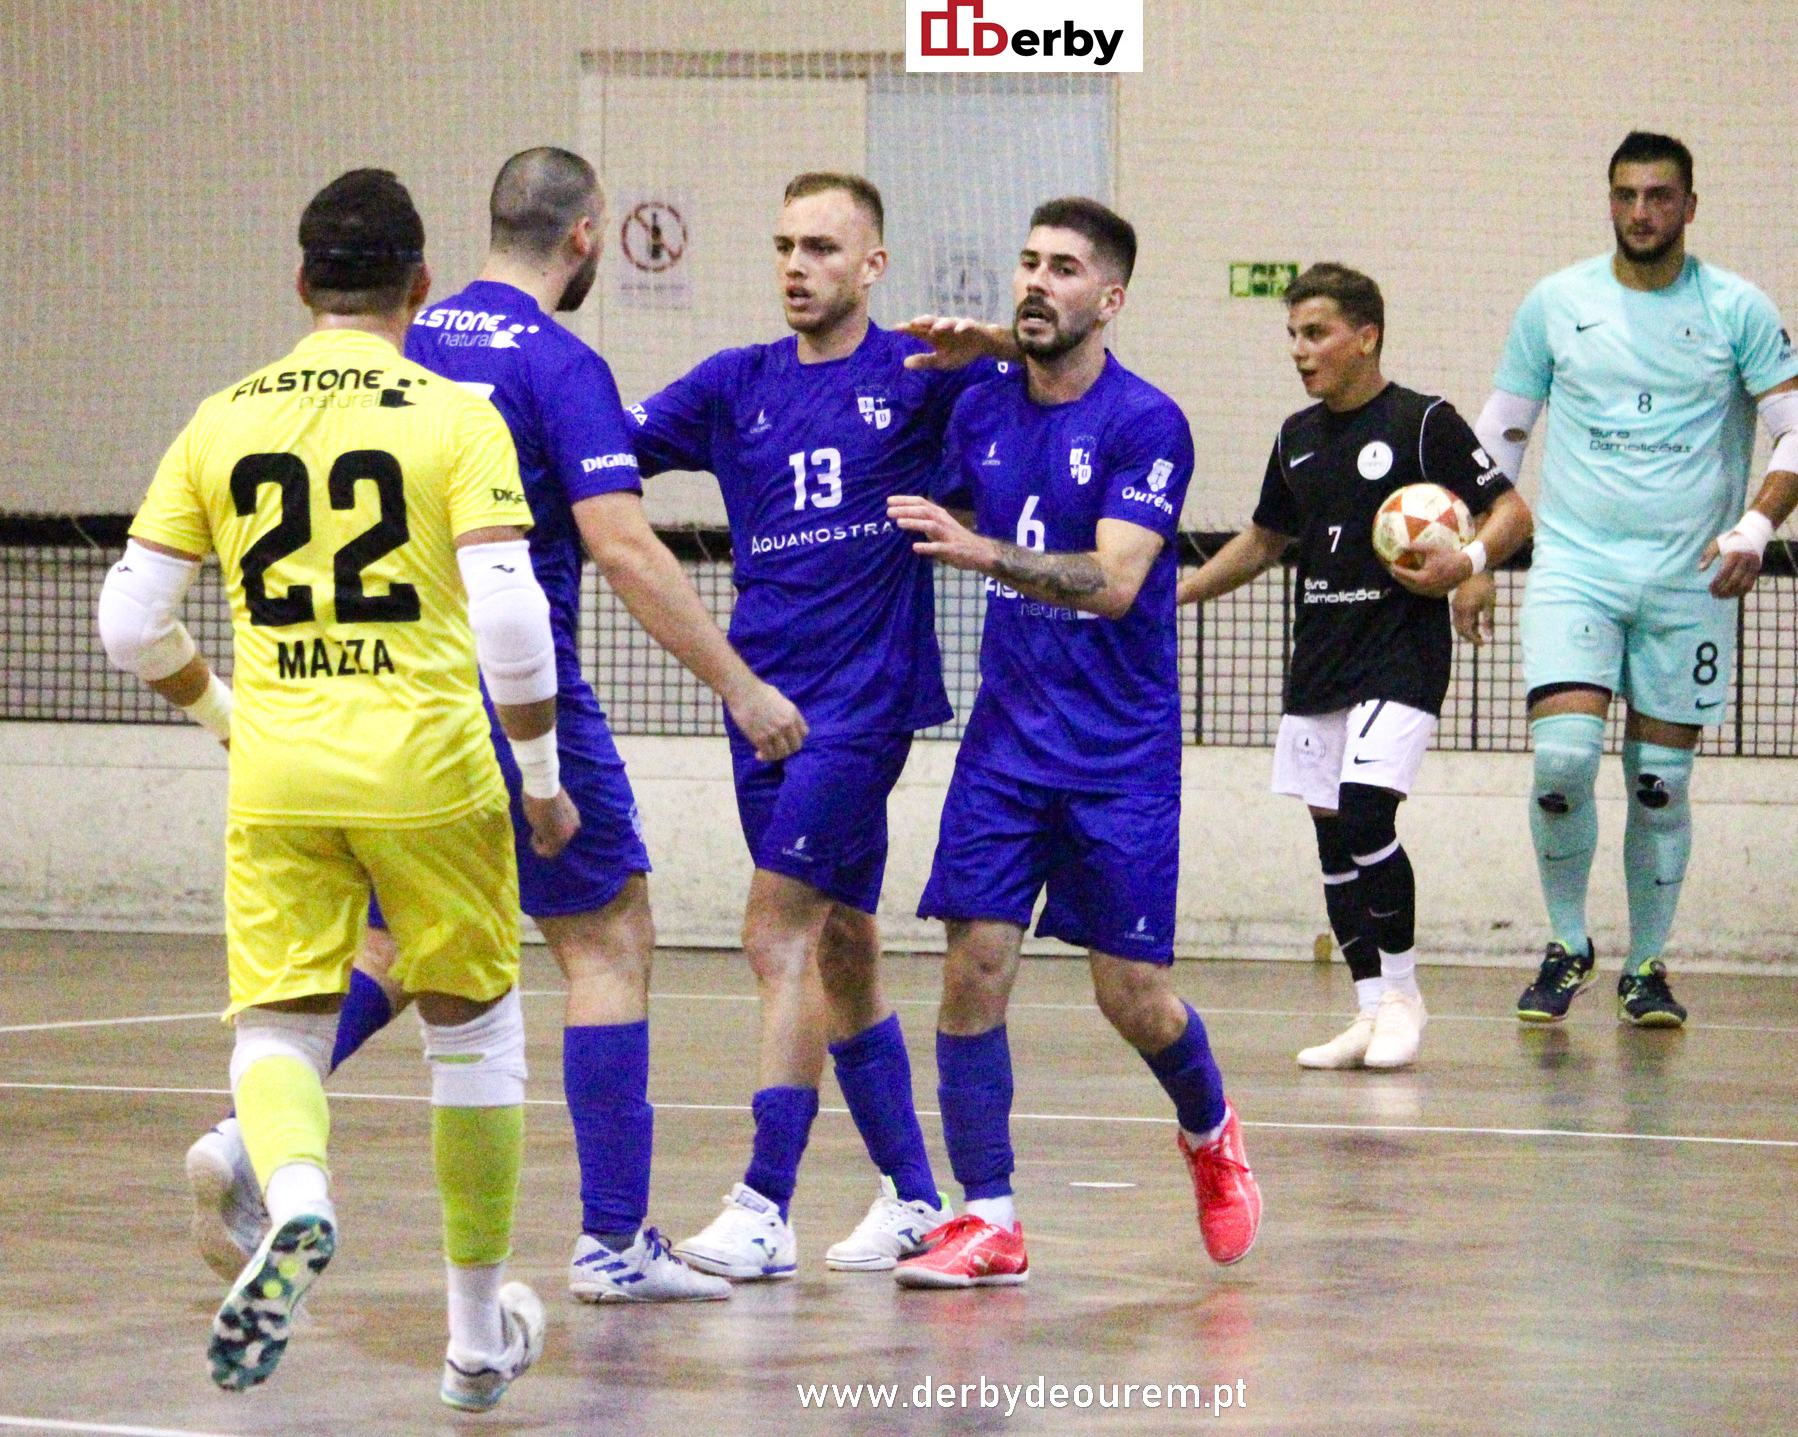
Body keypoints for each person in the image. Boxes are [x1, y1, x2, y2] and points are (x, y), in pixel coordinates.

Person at [182, 148, 803, 1307]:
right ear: (587, 238)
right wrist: (739, 683)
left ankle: (247, 1131)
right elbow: (619, 544)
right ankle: (613, 1239)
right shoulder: (559, 363)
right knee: (607, 938)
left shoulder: (396, 343)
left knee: (399, 945)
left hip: (380, 704)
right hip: (518, 698)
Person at [101, 169, 572, 1410]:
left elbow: (128, 618)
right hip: (430, 764)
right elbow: (513, 621)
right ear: (421, 286)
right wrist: (539, 774)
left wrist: (225, 714)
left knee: (277, 1026)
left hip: (283, 763)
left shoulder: (222, 419)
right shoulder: (454, 414)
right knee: (474, 1034)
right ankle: (475, 1341)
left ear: (302, 283)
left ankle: (299, 1194)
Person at [630, 173, 1014, 1278]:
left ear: (873, 266)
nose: (798, 266)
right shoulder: (733, 384)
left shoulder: (919, 373)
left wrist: (988, 341)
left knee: (775, 930)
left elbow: (1043, 379)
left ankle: (763, 1202)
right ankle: (911, 1195)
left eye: (823, 249)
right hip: (760, 700)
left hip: (861, 701)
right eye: (785, 245)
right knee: (841, 945)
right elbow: (604, 455)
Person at [886, 196, 1263, 1288]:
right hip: (1005, 747)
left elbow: (1114, 582)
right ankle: (987, 1215)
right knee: (973, 970)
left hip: (1118, 755)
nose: (1035, 282)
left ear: (1111, 297)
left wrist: (972, 550)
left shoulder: (1148, 422)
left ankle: (1208, 1129)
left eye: (1062, 268)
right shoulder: (984, 408)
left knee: (1128, 993)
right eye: (1026, 262)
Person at [1474, 131, 1798, 1026]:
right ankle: (1567, 945)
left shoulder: (1736, 307)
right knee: (1560, 761)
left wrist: (1755, 526)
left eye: (1660, 196)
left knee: (1659, 781)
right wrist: (1474, 553)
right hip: (1576, 570)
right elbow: (1499, 437)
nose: (1641, 212)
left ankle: (1647, 965)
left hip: (1689, 583)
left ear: (1689, 207)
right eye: (1626, 195)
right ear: (1609, 202)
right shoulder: (1556, 302)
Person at [1177, 262, 1532, 1070]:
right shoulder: (1297, 439)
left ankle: (1406, 996)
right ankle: (1368, 1008)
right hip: (1321, 655)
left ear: (1365, 336)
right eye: (1293, 336)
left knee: (1368, 811)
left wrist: (1467, 561)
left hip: (1400, 651)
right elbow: (1266, 541)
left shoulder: (1422, 422)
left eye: (1317, 333)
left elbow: (1509, 508)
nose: (1301, 352)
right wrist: (1188, 589)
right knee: (1332, 834)